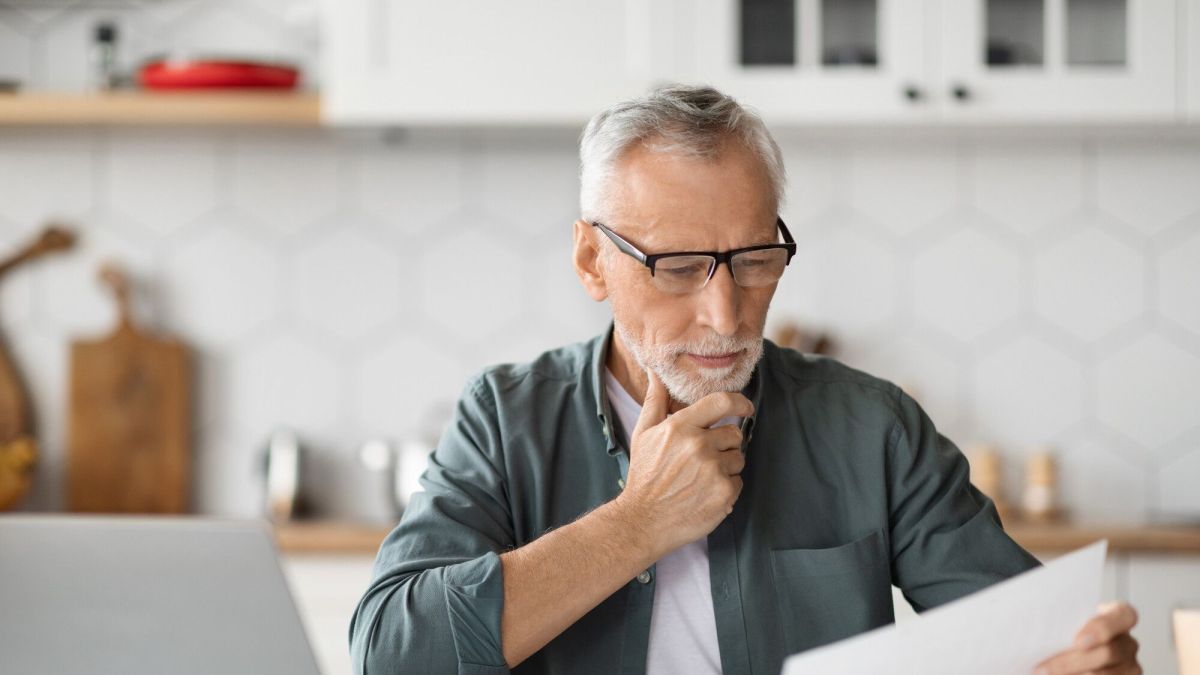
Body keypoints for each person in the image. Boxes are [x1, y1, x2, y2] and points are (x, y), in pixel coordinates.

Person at [348, 84, 1141, 675]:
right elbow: (390, 652)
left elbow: (1034, 640)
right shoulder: (505, 418)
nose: (726, 314)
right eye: (678, 267)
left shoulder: (873, 428)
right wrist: (635, 526)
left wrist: (1085, 658)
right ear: (592, 260)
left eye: (756, 260)